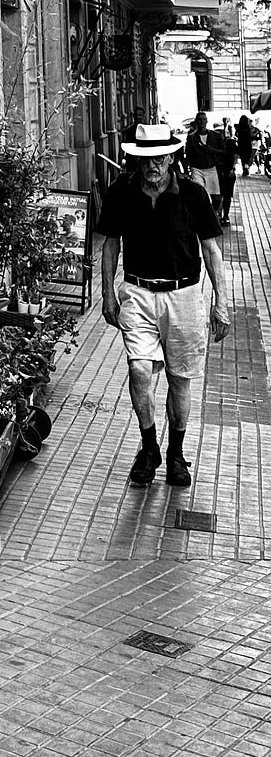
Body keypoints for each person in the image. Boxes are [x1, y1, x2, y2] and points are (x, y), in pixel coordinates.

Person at [100, 123, 229, 488]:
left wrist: (221, 303)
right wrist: (108, 293)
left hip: (184, 296)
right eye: (145, 159)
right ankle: (148, 447)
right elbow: (110, 244)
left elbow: (212, 251)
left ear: (171, 156)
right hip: (138, 293)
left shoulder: (192, 193)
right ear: (136, 160)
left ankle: (175, 453)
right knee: (140, 370)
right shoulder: (121, 193)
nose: (152, 165)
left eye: (159, 158)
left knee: (179, 379)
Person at [184, 112, 220, 205]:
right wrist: (187, 169)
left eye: (204, 119)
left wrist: (212, 150)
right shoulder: (192, 137)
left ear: (207, 121)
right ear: (196, 121)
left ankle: (213, 213)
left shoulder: (215, 135)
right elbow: (188, 153)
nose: (202, 122)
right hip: (197, 168)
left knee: (215, 197)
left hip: (211, 167)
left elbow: (223, 151)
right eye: (200, 119)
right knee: (199, 193)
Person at [238, 113, 256, 177]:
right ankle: (246, 168)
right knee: (247, 159)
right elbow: (250, 137)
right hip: (247, 145)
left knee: (243, 159)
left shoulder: (238, 127)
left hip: (241, 145)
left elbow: (238, 136)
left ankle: (244, 170)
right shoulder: (247, 128)